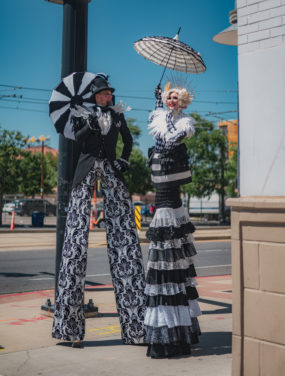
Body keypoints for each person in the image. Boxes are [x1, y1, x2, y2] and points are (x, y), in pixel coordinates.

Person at [52, 74, 146, 347]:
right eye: (103, 94)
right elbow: (79, 141)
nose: (107, 97)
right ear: (95, 96)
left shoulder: (117, 116)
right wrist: (89, 124)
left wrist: (124, 161)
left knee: (125, 242)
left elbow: (127, 142)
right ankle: (70, 330)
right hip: (86, 172)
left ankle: (136, 327)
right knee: (76, 245)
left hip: (112, 171)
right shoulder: (82, 114)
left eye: (109, 93)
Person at [144, 83, 201, 358]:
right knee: (167, 264)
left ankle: (174, 336)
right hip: (162, 187)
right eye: (168, 97)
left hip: (171, 191)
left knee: (171, 263)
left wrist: (175, 133)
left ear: (183, 101)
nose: (171, 100)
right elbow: (155, 121)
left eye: (175, 97)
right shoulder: (158, 117)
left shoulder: (185, 121)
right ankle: (171, 335)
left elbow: (183, 133)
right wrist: (157, 97)